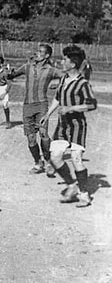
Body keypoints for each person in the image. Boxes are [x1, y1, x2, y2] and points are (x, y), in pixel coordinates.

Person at [40, 45, 97, 207]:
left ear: (72, 64)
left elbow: (91, 104)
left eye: (65, 59)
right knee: (55, 157)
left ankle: (84, 194)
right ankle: (71, 185)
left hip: (77, 126)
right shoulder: (64, 79)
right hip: (62, 126)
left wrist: (71, 108)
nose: (62, 61)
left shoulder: (83, 83)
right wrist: (48, 114)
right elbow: (58, 98)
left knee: (76, 158)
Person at [8, 44, 63, 176]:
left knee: (43, 134)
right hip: (27, 106)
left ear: (47, 55)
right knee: (31, 138)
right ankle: (38, 162)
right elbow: (13, 75)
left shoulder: (50, 70)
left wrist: (57, 85)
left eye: (40, 51)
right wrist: (9, 72)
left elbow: (66, 77)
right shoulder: (27, 66)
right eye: (37, 51)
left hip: (41, 105)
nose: (36, 53)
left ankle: (48, 161)